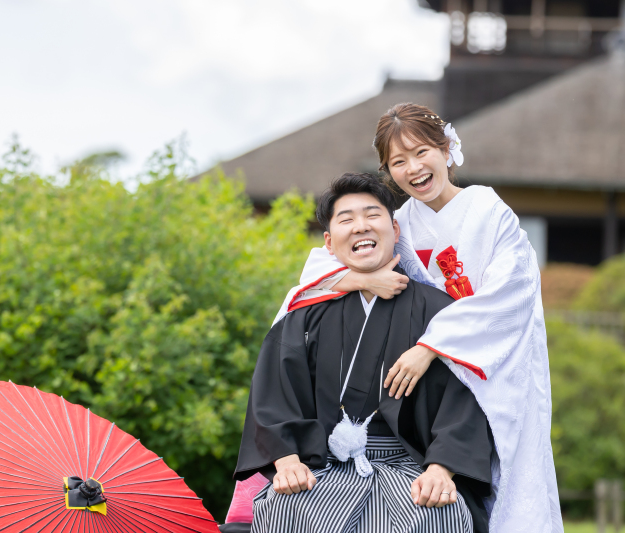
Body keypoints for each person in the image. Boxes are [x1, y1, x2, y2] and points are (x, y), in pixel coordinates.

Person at [272, 104, 561, 532]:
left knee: (517, 480)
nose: (413, 169)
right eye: (398, 162)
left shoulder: (489, 211)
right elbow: (320, 271)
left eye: (421, 152)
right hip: (430, 385)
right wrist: (357, 281)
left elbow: (510, 295)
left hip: (493, 365)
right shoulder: (398, 222)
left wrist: (430, 345)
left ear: (446, 149)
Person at [222, 173, 495, 533]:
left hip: (411, 466)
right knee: (285, 509)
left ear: (395, 230)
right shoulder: (305, 313)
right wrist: (287, 461)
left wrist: (441, 469)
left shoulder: (441, 311)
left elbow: (467, 399)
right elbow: (273, 394)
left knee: (437, 514)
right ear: (329, 242)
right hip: (322, 463)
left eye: (372, 215)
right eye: (346, 219)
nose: (361, 227)